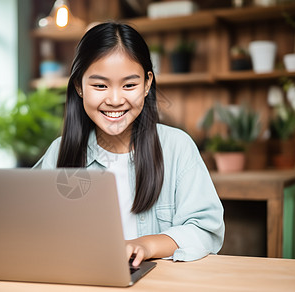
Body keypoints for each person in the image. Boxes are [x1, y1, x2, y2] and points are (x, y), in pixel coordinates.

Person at [33, 22, 224, 267]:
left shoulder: (177, 147)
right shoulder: (58, 153)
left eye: (129, 85)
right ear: (79, 86)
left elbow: (206, 230)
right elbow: (33, 230)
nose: (114, 100)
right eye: (100, 85)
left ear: (146, 84)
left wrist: (146, 244)